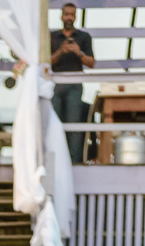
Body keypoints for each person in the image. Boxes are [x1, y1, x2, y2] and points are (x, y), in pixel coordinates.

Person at [51, 3, 94, 164]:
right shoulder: (52, 37)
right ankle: (56, 158)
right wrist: (60, 51)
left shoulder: (83, 37)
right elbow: (46, 62)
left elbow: (91, 62)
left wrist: (78, 52)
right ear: (61, 16)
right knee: (55, 122)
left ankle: (74, 161)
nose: (69, 17)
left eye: (72, 15)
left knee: (74, 123)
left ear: (75, 17)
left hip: (75, 85)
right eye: (67, 14)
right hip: (56, 84)